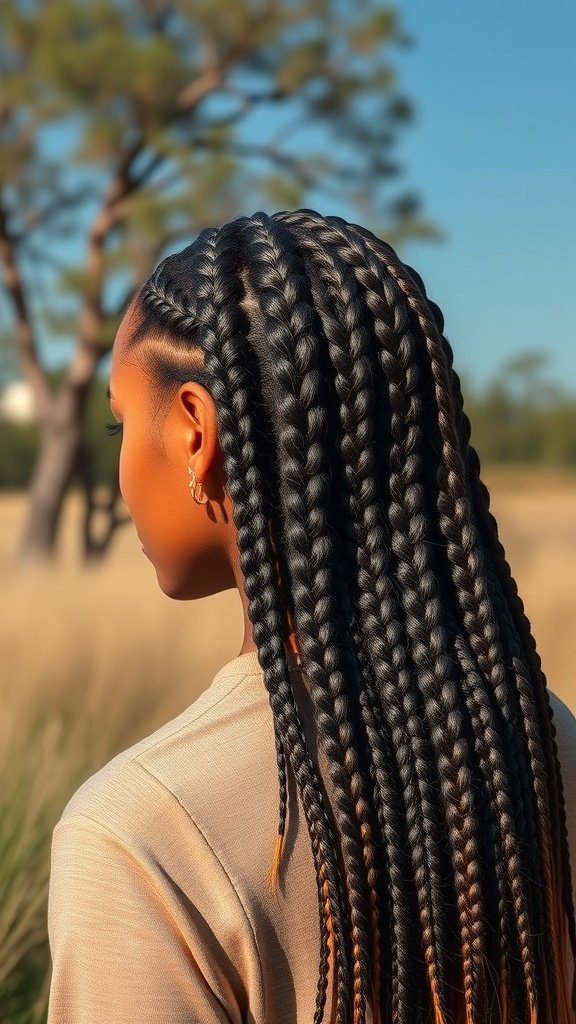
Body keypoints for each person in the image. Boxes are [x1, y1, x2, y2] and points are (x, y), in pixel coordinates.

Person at [47, 209, 576, 1024]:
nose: (118, 466)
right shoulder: (546, 742)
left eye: (120, 424)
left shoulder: (139, 836)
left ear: (197, 435)